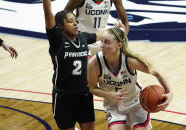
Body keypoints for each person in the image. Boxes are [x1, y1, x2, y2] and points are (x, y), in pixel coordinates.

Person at [42, 0, 125, 130]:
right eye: (70, 22)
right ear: (60, 26)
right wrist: (46, 3)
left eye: (76, 21)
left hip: (84, 95)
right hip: (64, 96)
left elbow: (101, 34)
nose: (75, 24)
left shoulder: (83, 38)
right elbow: (48, 16)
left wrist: (117, 30)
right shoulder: (57, 41)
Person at [88, 27, 173, 130]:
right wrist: (110, 94)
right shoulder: (94, 63)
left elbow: (157, 73)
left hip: (137, 103)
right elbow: (92, 88)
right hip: (114, 106)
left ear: (119, 45)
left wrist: (169, 93)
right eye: (101, 41)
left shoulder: (129, 60)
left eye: (107, 42)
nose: (102, 45)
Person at [64, 0, 129, 56]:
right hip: (84, 40)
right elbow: (63, 17)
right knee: (84, 69)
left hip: (103, 41)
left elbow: (125, 22)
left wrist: (122, 37)